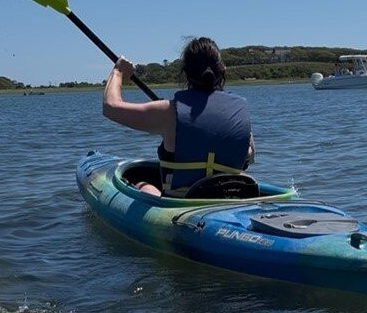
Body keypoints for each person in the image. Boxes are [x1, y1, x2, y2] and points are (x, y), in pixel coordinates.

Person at [102, 37, 255, 197]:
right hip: (230, 198)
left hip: (181, 202)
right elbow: (248, 156)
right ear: (222, 70)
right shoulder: (240, 111)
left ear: (186, 72)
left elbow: (110, 107)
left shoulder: (168, 112)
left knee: (137, 179)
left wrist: (118, 71)